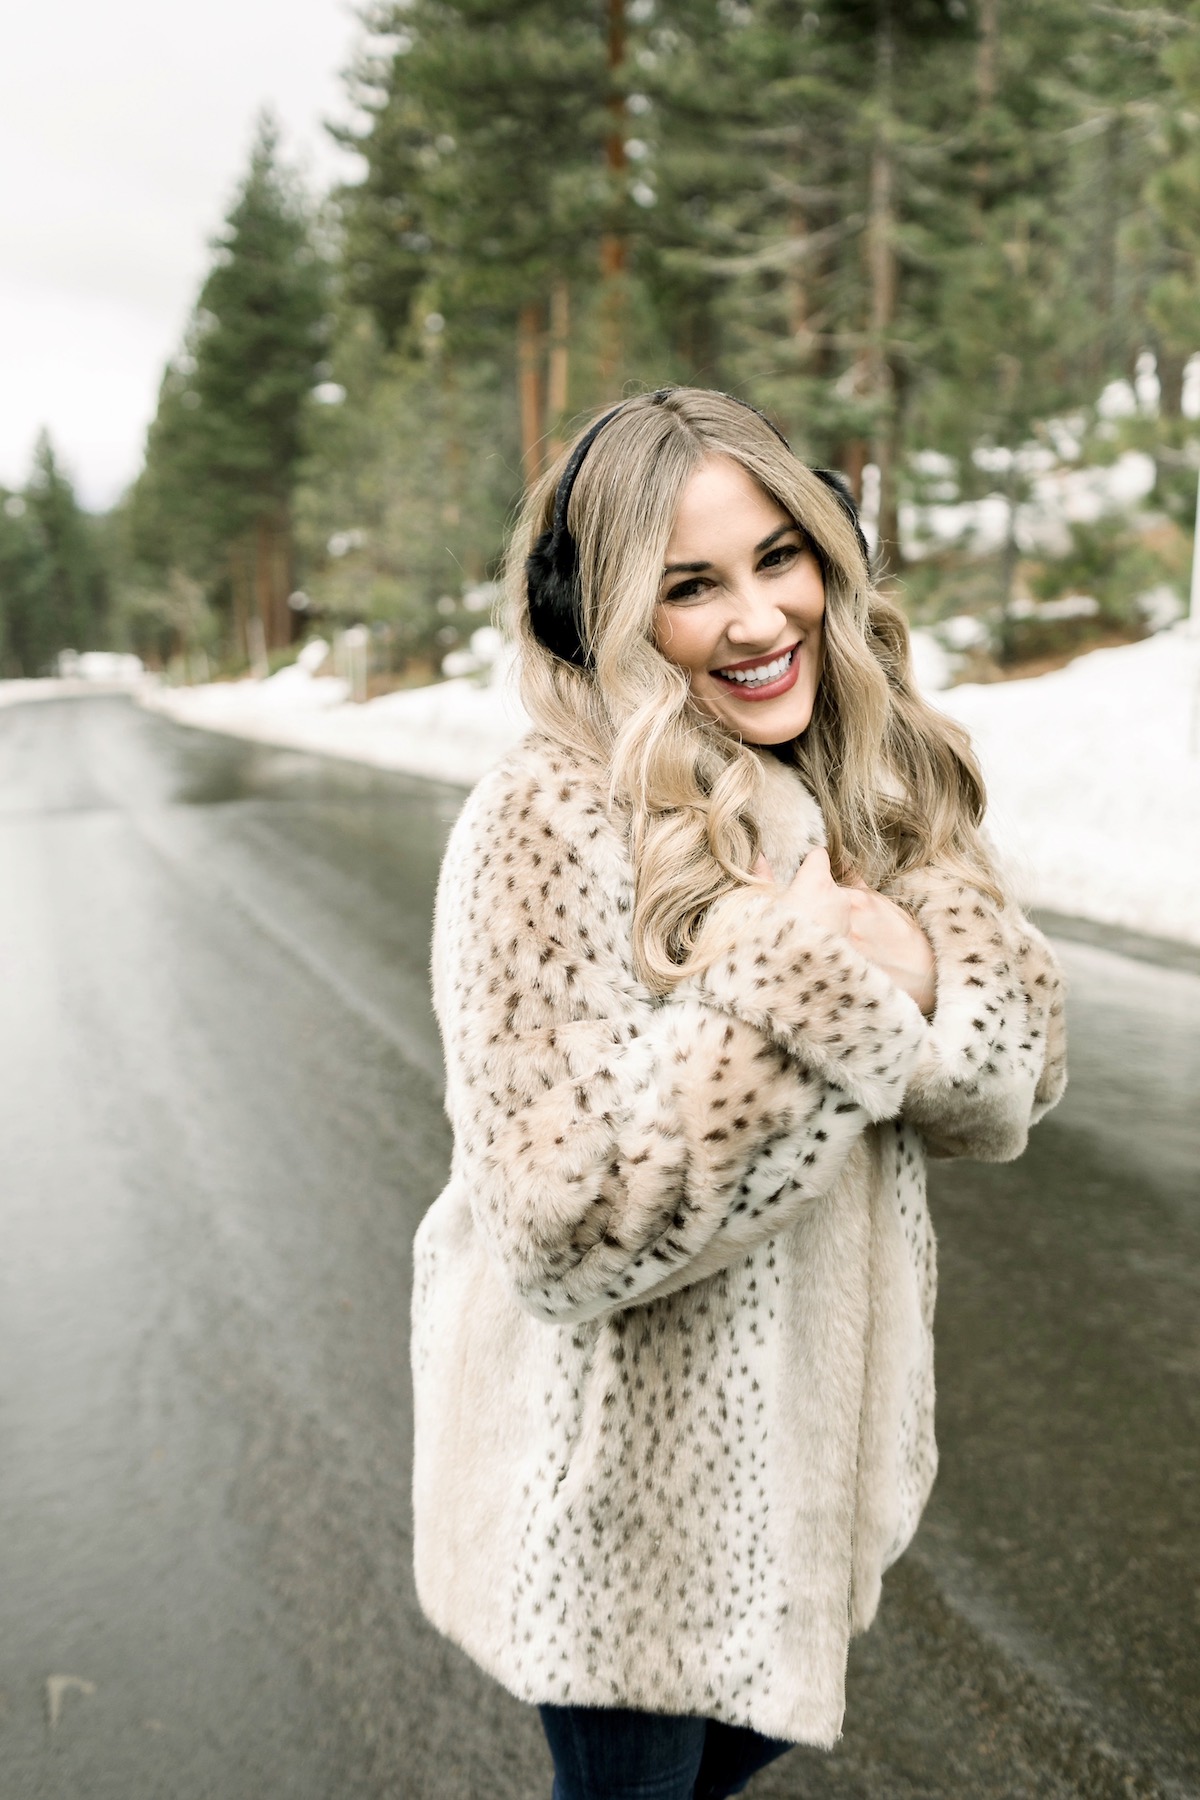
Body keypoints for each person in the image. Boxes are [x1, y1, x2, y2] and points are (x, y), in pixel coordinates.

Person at [411, 387, 1067, 1799]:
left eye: (781, 556)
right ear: (601, 615)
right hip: (619, 1516)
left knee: (748, 1745)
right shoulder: (546, 817)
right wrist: (804, 985)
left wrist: (904, 949)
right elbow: (557, 1223)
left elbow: (1007, 1082)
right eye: (689, 586)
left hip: (806, 1480)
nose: (760, 620)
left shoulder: (867, 777)